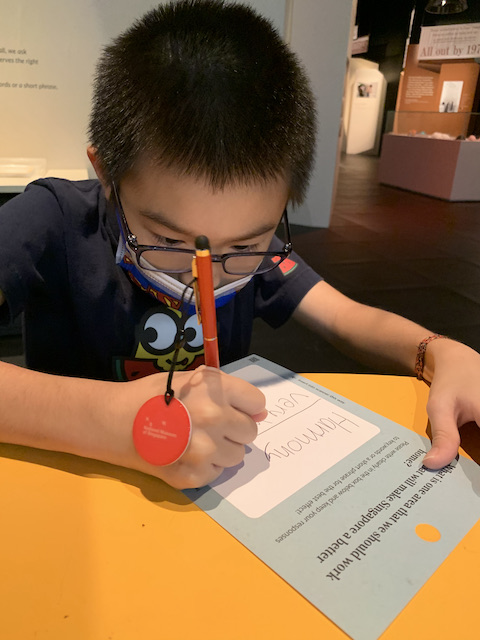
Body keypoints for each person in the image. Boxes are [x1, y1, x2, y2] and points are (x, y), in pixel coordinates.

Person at [0, 0, 479, 490]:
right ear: (106, 173)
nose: (205, 273)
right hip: (72, 487)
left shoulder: (253, 257)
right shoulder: (53, 218)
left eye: (245, 244)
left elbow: (346, 318)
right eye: (168, 239)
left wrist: (441, 353)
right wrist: (119, 422)